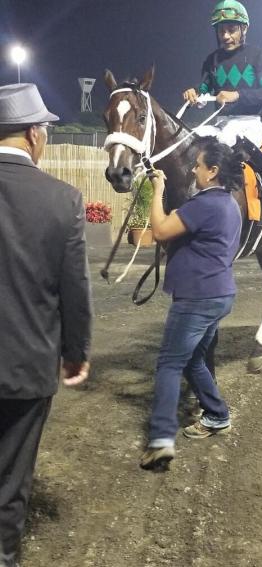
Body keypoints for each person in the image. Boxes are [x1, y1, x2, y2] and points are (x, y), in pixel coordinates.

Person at [0, 83, 92, 567]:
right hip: (26, 365)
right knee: (12, 480)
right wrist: (75, 351)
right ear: (35, 134)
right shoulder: (63, 200)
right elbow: (74, 289)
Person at [140, 137, 243, 470]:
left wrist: (157, 189)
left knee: (169, 363)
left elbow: (159, 230)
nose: (194, 169)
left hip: (197, 298)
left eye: (198, 165)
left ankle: (160, 440)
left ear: (212, 171)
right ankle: (217, 414)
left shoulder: (205, 203)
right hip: (219, 295)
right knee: (193, 359)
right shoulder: (229, 204)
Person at [182, 0, 262, 195]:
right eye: (221, 31)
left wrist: (237, 95)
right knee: (189, 139)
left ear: (244, 29)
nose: (226, 36)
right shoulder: (212, 60)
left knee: (230, 140)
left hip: (249, 123)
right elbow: (204, 89)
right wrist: (194, 93)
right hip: (220, 123)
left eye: (232, 30)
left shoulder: (258, 56)